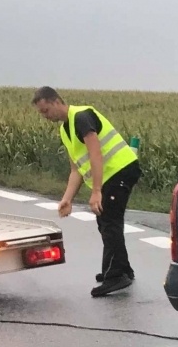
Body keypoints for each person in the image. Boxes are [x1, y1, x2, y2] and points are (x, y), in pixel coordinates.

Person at [31, 87, 141, 296]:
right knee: (106, 220)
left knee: (109, 222)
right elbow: (76, 169)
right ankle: (122, 268)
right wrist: (67, 199)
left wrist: (97, 191)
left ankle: (115, 276)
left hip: (120, 170)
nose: (45, 117)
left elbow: (95, 154)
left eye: (45, 111)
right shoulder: (65, 129)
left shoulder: (81, 117)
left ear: (55, 102)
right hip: (110, 175)